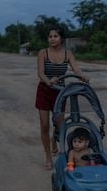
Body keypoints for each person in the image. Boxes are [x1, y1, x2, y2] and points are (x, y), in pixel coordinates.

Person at [35, 26, 89, 170]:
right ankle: (48, 157)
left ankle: (56, 143)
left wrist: (82, 75)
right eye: (50, 36)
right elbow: (40, 73)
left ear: (61, 39)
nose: (52, 39)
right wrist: (48, 81)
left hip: (60, 93)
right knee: (45, 125)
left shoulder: (67, 54)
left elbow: (76, 68)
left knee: (59, 126)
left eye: (55, 36)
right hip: (44, 91)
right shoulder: (43, 53)